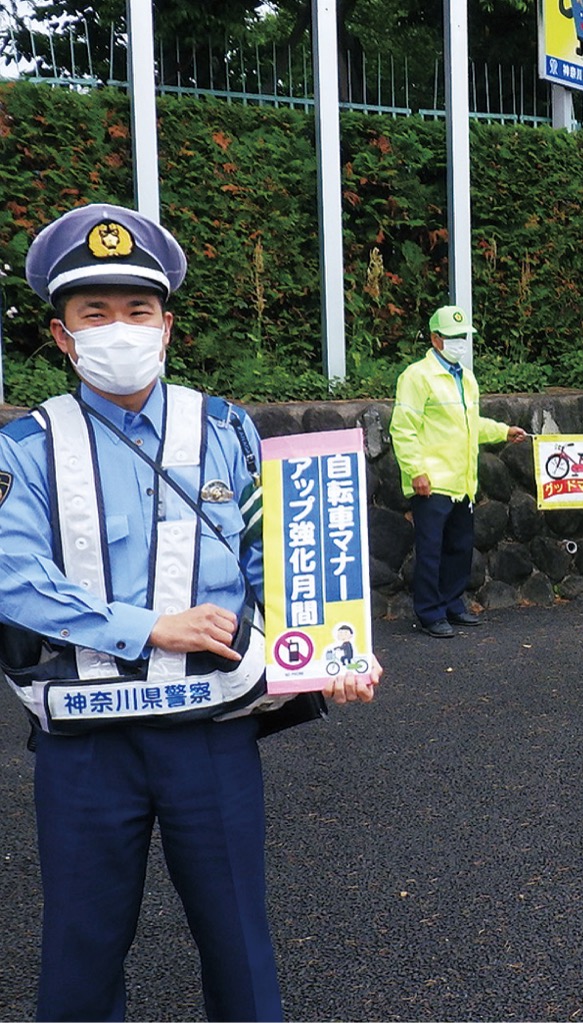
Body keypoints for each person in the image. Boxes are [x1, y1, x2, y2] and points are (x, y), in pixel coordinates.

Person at [0, 202, 381, 1022]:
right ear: (63, 336)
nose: (118, 328)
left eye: (136, 311)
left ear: (165, 325)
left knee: (242, 951)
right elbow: (12, 577)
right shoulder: (25, 445)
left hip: (211, 729)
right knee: (79, 957)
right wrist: (147, 628)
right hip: (86, 743)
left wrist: (332, 649)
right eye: (93, 313)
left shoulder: (226, 429)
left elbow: (279, 564)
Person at [389, 306, 528, 638]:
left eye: (464, 336)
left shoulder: (465, 377)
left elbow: (470, 424)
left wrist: (502, 430)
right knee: (431, 551)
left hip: (462, 482)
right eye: (453, 337)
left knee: (459, 548)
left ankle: (452, 604)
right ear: (435, 339)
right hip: (432, 483)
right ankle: (429, 612)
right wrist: (416, 471)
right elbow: (402, 429)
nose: (460, 343)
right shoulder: (417, 376)